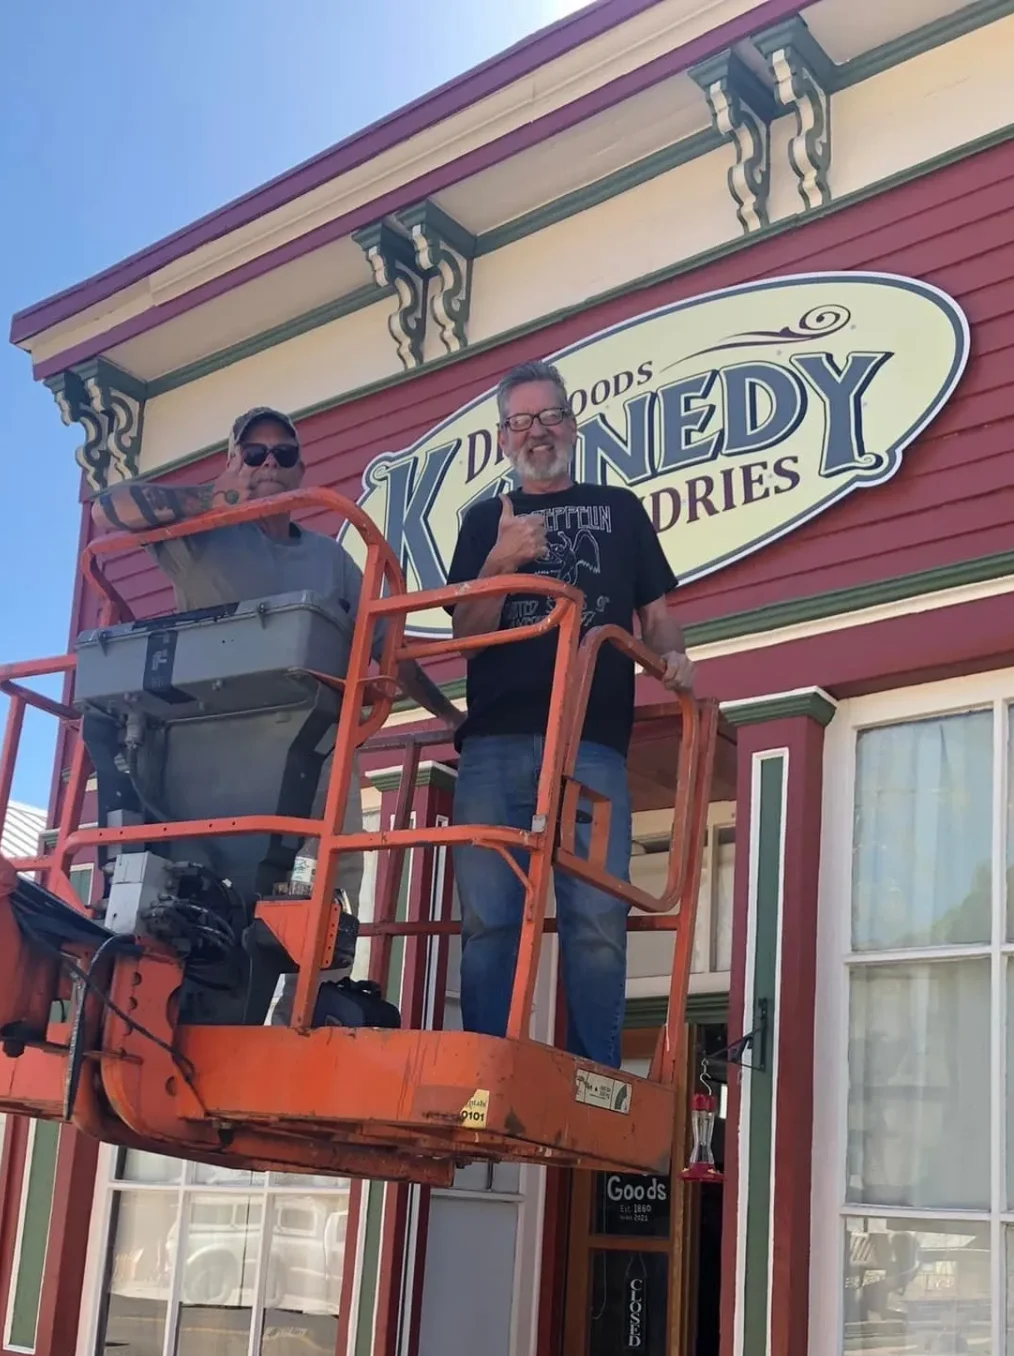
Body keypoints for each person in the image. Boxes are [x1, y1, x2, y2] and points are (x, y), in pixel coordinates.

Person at [85, 407, 456, 1009]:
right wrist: (215, 494)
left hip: (303, 766)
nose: (267, 466)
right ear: (233, 461)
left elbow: (389, 651)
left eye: (282, 456)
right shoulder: (199, 536)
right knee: (180, 913)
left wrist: (448, 716)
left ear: (300, 471)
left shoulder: (332, 557)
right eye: (252, 454)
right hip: (198, 773)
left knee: (325, 888)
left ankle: (309, 1013)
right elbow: (110, 508)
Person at [444, 360, 694, 1069]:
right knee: (489, 917)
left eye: (549, 416)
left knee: (595, 918)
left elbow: (658, 618)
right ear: (502, 441)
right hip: (494, 741)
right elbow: (466, 633)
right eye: (521, 421)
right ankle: (486, 1065)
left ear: (572, 426)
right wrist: (502, 562)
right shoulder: (479, 521)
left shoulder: (619, 509)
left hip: (592, 740)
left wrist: (676, 660)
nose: (537, 432)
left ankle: (593, 1070)